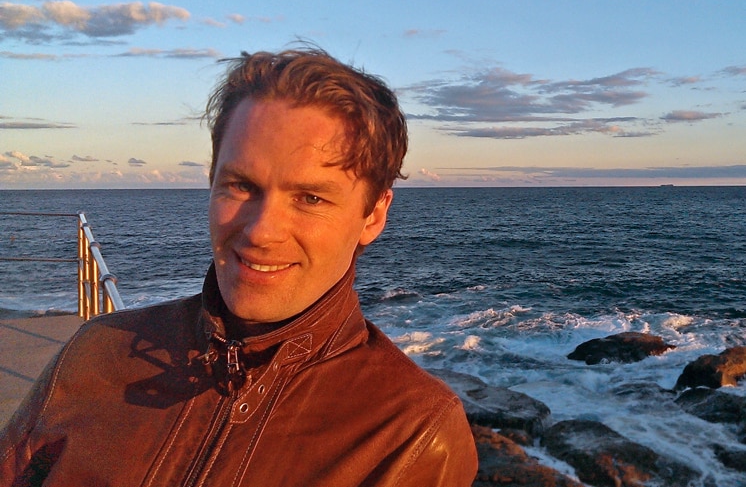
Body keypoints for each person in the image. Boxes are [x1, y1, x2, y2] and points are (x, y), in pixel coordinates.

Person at [0, 47, 478, 486]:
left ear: (373, 215)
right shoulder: (97, 353)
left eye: (310, 197)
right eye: (240, 186)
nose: (261, 231)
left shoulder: (412, 435)